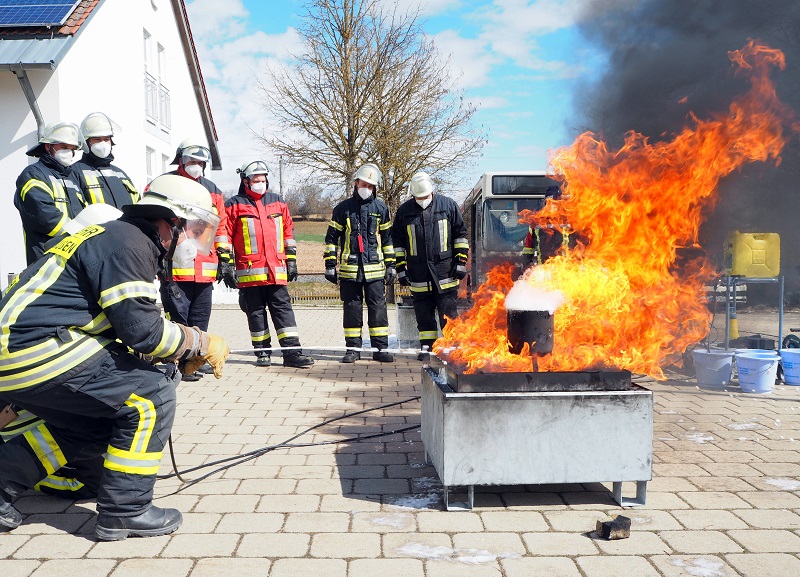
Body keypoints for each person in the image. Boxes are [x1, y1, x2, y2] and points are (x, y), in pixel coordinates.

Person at [0, 174, 231, 540]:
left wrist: (167, 352)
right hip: (38, 348)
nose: (194, 239)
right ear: (171, 221)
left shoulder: (118, 237)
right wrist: (200, 342)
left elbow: (126, 326)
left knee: (89, 423)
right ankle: (126, 511)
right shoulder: (128, 243)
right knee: (150, 397)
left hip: (20, 352)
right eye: (194, 229)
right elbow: (145, 332)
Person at [225, 161, 314, 368]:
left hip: (277, 270)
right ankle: (262, 352)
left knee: (283, 311)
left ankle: (292, 353)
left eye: (263, 180)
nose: (261, 183)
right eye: (256, 180)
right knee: (255, 312)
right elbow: (224, 236)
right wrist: (227, 265)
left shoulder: (278, 202)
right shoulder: (234, 205)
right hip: (250, 272)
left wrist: (291, 260)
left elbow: (288, 232)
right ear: (246, 181)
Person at [160, 137, 231, 381]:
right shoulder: (165, 184)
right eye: (192, 161)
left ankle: (195, 361)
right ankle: (177, 363)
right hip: (175, 268)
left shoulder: (213, 190)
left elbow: (221, 227)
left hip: (204, 268)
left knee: (200, 319)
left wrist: (225, 259)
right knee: (178, 320)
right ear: (180, 160)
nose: (196, 165)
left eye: (201, 162)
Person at [392, 172, 469, 360]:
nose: (422, 200)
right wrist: (401, 269)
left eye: (425, 196)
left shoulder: (448, 206)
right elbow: (398, 243)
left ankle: (452, 349)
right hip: (418, 274)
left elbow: (460, 235)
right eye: (419, 197)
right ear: (413, 195)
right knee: (423, 314)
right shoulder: (404, 211)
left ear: (432, 191)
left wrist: (460, 262)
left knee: (449, 314)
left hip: (445, 272)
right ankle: (427, 347)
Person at [324, 163, 396, 363]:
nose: (367, 189)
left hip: (375, 271)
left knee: (378, 310)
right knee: (352, 310)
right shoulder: (342, 209)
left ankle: (380, 349)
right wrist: (330, 265)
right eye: (364, 185)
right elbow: (331, 238)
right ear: (356, 183)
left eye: (371, 186)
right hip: (350, 270)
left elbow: (388, 240)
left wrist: (391, 265)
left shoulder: (381, 208)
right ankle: (353, 350)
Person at [14, 121, 86, 265]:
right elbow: (45, 217)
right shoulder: (33, 174)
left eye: (72, 148)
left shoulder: (71, 177)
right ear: (48, 146)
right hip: (47, 261)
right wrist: (81, 233)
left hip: (74, 258)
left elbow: (84, 213)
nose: (69, 152)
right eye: (64, 147)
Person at [70, 112, 139, 208]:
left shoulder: (120, 174)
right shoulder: (74, 172)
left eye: (106, 139)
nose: (103, 143)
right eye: (97, 139)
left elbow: (137, 204)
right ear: (86, 142)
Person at [521, 185, 575, 269]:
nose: (552, 205)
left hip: (566, 270)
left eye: (554, 201)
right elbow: (528, 247)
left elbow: (580, 246)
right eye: (549, 201)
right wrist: (526, 265)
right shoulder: (537, 221)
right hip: (543, 270)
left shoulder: (570, 220)